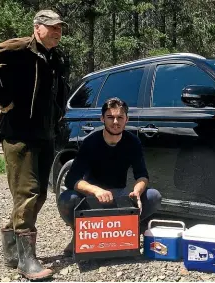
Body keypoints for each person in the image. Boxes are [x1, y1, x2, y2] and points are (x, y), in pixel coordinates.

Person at [0, 9, 69, 280]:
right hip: (18, 133)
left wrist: (59, 113)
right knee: (29, 192)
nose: (57, 32)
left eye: (60, 28)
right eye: (52, 27)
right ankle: (26, 262)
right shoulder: (19, 49)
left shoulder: (55, 57)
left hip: (45, 133)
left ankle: (11, 250)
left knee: (40, 194)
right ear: (37, 28)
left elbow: (58, 90)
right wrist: (2, 98)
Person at [57, 97, 162, 255]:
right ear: (102, 119)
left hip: (119, 195)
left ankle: (128, 232)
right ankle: (79, 234)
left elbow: (142, 175)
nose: (115, 122)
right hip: (91, 198)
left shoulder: (133, 142)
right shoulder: (90, 142)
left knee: (154, 196)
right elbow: (72, 179)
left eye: (120, 117)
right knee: (66, 199)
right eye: (110, 117)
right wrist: (96, 191)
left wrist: (137, 191)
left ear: (126, 119)